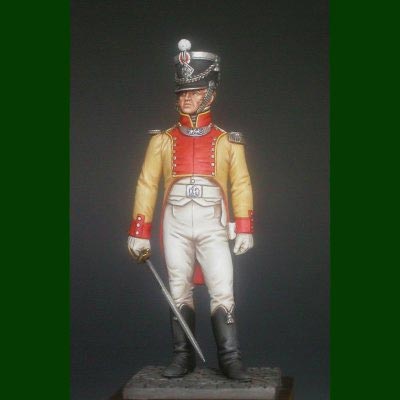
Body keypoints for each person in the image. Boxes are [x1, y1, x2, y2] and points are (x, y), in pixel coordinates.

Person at [127, 39, 254, 381]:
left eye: (194, 92)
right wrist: (139, 231)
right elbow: (146, 184)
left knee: (222, 287)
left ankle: (230, 359)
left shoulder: (228, 141)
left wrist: (244, 226)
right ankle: (182, 357)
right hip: (176, 223)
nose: (186, 98)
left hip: (214, 223)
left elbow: (241, 183)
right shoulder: (161, 141)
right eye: (182, 93)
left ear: (210, 94)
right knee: (178, 288)